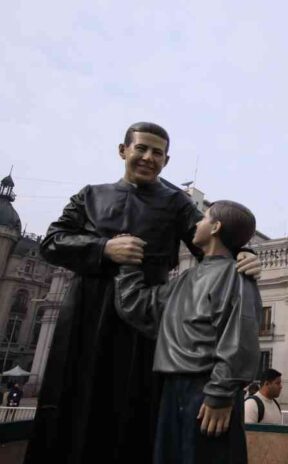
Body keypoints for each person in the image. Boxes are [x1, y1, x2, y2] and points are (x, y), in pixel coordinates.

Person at [25, 122, 262, 464]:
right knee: (72, 397)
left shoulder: (177, 204)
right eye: (141, 149)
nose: (148, 158)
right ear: (123, 151)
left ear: (166, 160)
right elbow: (51, 243)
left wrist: (247, 255)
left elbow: (215, 243)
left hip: (145, 318)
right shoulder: (90, 195)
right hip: (85, 312)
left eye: (158, 153)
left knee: (135, 405)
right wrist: (105, 248)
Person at [114, 200, 262, 464]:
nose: (196, 224)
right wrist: (127, 265)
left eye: (203, 218)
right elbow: (139, 306)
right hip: (173, 390)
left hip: (207, 391)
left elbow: (240, 336)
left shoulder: (236, 276)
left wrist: (220, 393)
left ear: (215, 227)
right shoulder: (184, 279)